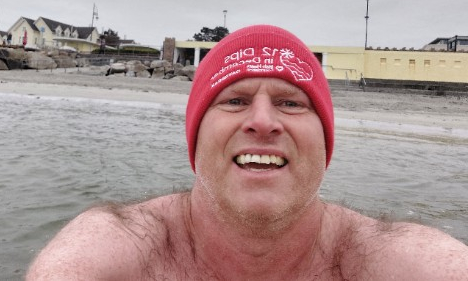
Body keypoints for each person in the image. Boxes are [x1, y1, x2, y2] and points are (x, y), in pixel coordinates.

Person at [27, 24, 468, 280]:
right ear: (195, 138)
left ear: (325, 143)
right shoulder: (120, 247)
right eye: (235, 100)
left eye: (291, 103)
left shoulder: (394, 260)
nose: (262, 121)